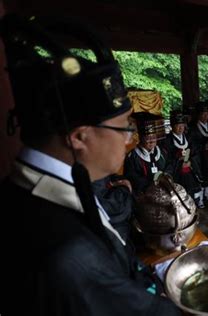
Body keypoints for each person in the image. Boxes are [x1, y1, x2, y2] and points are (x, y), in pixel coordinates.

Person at [0, 15, 179, 315]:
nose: (128, 140)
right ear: (81, 136)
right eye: (123, 128)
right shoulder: (68, 253)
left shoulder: (30, 188)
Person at [162, 110, 204, 208]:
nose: (181, 128)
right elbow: (166, 160)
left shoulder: (188, 138)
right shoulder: (167, 141)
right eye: (178, 125)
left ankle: (193, 208)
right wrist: (179, 162)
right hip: (177, 174)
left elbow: (196, 153)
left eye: (182, 125)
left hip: (190, 171)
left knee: (193, 193)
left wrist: (191, 162)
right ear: (172, 126)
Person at [123, 112, 166, 194]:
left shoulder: (163, 152)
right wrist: (150, 185)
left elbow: (169, 166)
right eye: (147, 138)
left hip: (163, 190)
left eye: (153, 137)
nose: (151, 141)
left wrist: (166, 178)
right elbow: (132, 176)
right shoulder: (132, 156)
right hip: (144, 194)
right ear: (141, 138)